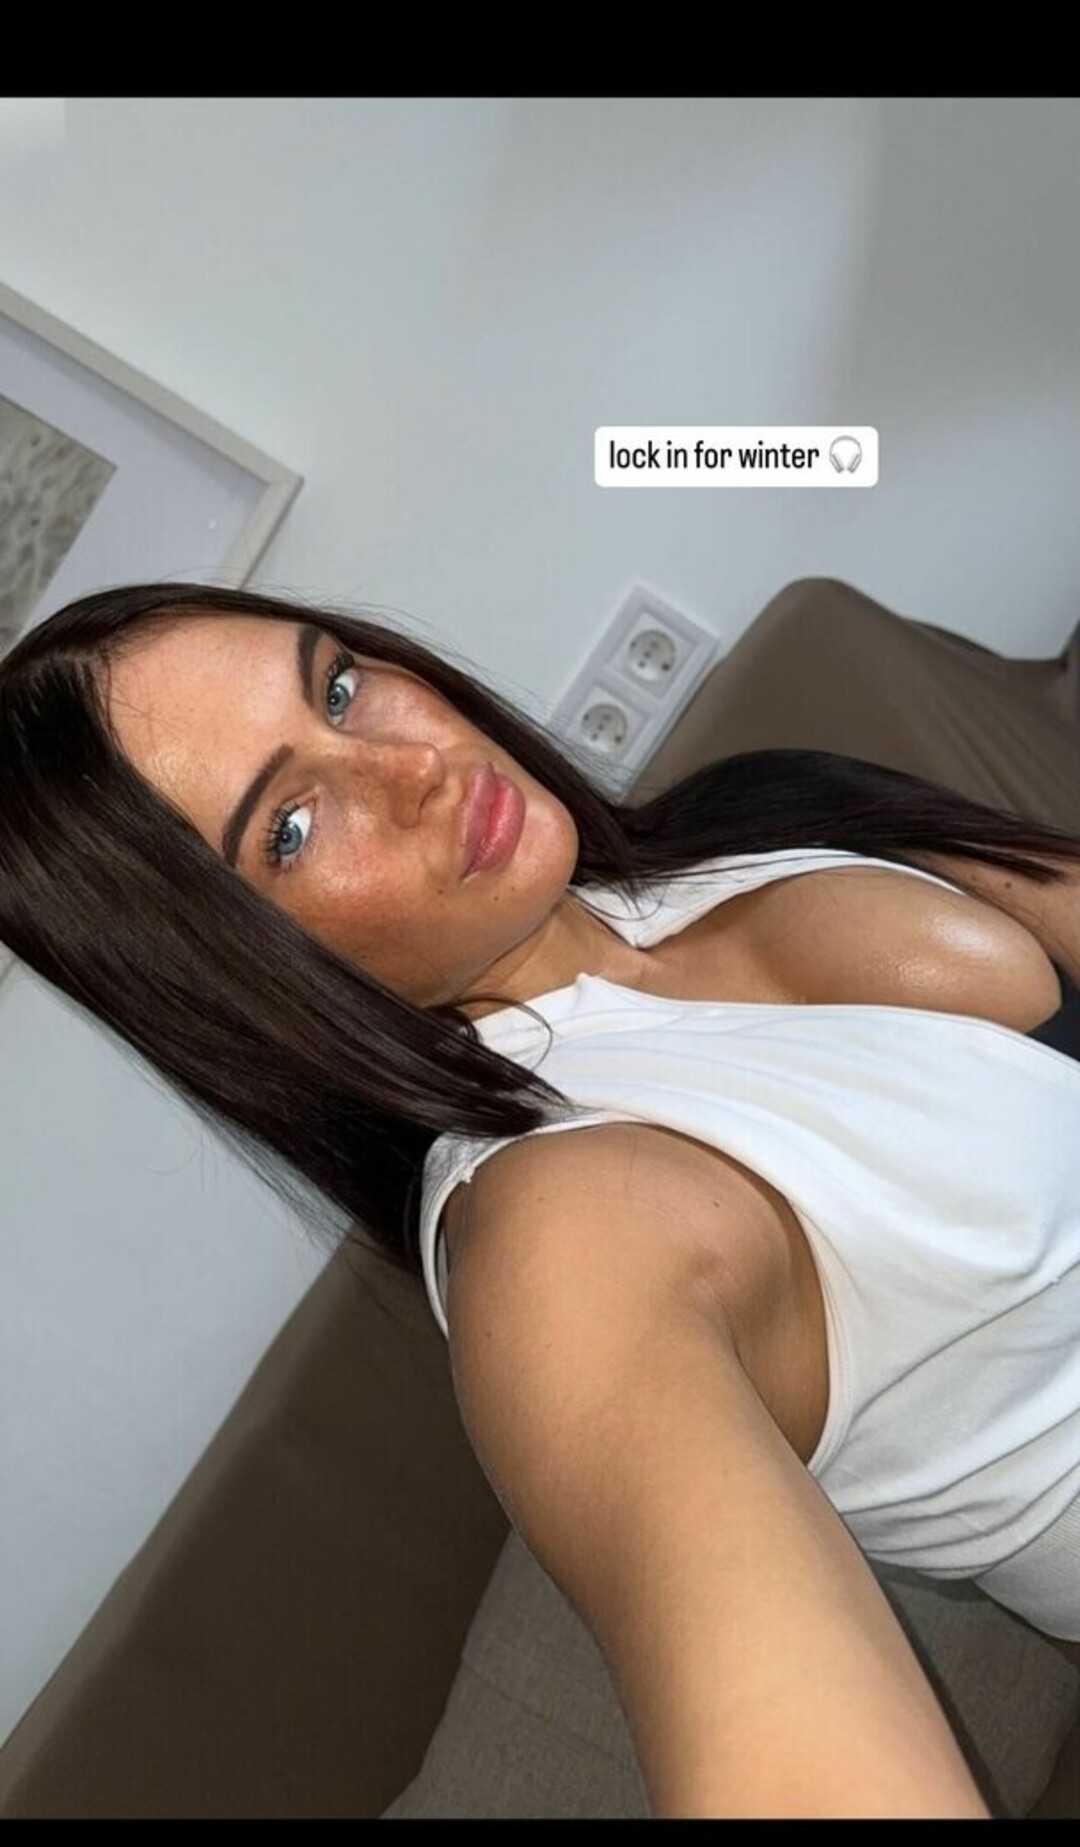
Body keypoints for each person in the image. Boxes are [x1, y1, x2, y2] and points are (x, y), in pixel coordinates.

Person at [3, 581, 1080, 1820]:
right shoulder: (559, 1232)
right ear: (235, 983)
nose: (410, 764)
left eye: (339, 685)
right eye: (290, 827)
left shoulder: (749, 809)